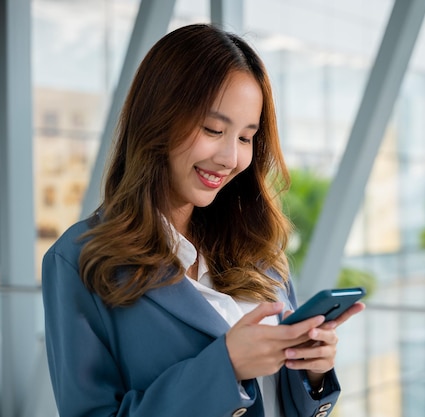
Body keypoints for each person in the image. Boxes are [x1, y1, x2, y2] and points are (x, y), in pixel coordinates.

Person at [42, 23, 364, 417]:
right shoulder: (79, 260)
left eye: (246, 137)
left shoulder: (258, 247)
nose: (230, 158)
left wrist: (313, 372)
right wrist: (223, 368)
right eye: (213, 129)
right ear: (158, 119)